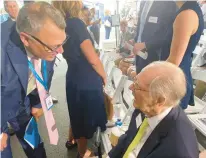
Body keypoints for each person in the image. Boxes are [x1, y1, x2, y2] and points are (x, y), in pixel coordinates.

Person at [1, 2, 66, 158]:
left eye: (62, 43)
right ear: (26, 39)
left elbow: (46, 73)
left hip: (22, 104)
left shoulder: (47, 42)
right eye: (53, 47)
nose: (60, 51)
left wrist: (38, 102)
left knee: (36, 148)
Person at [109, 61, 199, 158]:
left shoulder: (177, 150)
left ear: (159, 100)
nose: (131, 87)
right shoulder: (145, 106)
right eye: (135, 81)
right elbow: (129, 137)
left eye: (137, 86)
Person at [52, 1, 107, 158]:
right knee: (90, 117)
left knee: (77, 116)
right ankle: (88, 152)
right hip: (87, 77)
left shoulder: (61, 24)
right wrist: (104, 75)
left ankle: (81, 152)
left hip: (73, 76)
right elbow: (92, 59)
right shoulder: (76, 23)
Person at [160, 1, 204, 109]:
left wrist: (150, 80)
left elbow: (174, 61)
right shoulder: (185, 11)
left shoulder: (187, 14)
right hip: (174, 78)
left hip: (174, 82)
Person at [127, 1, 177, 78]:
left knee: (150, 86)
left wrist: (145, 44)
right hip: (140, 55)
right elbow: (141, 25)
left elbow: (167, 33)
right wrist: (135, 39)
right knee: (139, 83)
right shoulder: (143, 2)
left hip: (156, 56)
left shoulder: (168, 3)